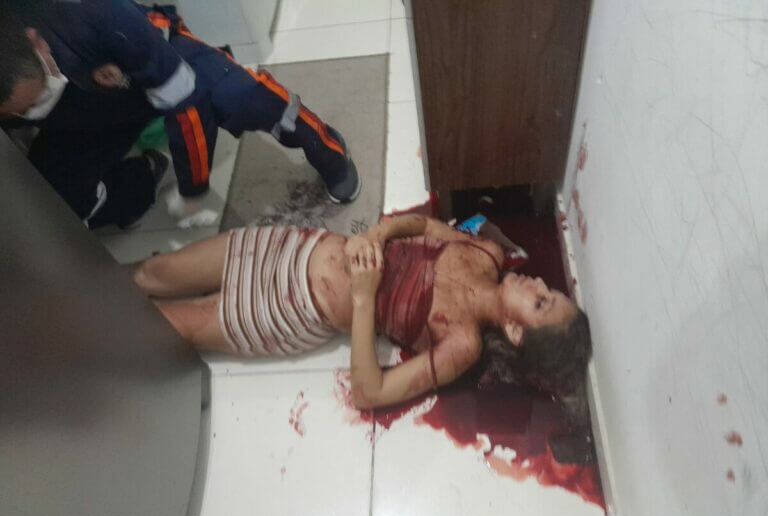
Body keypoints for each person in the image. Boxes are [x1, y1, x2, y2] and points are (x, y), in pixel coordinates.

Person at [131, 215, 592, 411]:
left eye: (540, 302)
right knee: (154, 271)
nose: (537, 283)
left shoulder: (462, 345)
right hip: (292, 244)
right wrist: (379, 233)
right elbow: (423, 225)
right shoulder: (487, 253)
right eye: (548, 289)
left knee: (157, 326)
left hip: (292, 310)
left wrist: (364, 297)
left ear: (514, 331)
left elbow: (369, 393)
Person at [0, 1, 359, 229]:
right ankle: (142, 177)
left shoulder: (101, 14)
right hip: (84, 104)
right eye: (22, 111)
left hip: (156, 57)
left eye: (35, 98)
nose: (33, 109)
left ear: (36, 41)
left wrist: (193, 189)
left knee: (246, 97)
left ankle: (328, 151)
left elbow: (189, 108)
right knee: (56, 200)